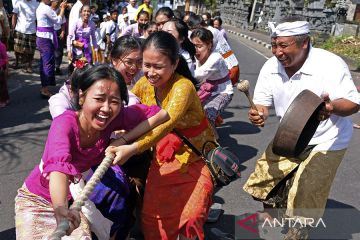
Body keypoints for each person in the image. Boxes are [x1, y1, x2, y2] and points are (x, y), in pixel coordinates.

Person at [15, 64, 169, 239]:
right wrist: (60, 210)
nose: (106, 108)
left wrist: (125, 141)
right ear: (82, 97)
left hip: (73, 199)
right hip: (39, 200)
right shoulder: (64, 124)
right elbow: (58, 170)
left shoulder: (114, 118)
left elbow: (161, 115)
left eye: (114, 101)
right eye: (99, 98)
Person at [243, 17, 360, 239]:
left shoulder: (330, 64)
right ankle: (272, 231)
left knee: (306, 193)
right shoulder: (271, 67)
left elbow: (353, 103)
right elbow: (262, 104)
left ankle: (297, 234)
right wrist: (258, 114)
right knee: (266, 182)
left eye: (284, 45)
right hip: (289, 134)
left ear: (304, 42)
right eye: (274, 45)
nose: (277, 52)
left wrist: (331, 107)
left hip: (328, 139)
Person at [107, 31, 215, 240]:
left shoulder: (183, 86)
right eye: (146, 65)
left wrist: (129, 146)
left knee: (191, 217)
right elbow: (126, 106)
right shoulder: (144, 85)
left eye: (158, 66)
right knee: (151, 218)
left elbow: (166, 123)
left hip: (195, 158)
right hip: (161, 158)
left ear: (174, 64)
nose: (150, 72)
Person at [190, 28, 233, 127]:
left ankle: (211, 141)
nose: (196, 49)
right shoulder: (196, 56)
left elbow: (199, 74)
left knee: (207, 115)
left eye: (199, 46)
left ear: (209, 45)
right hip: (206, 91)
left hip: (223, 92)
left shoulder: (216, 57)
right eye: (193, 46)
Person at [36, 0, 67, 98]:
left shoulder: (41, 7)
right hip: (45, 38)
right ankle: (44, 90)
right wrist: (62, 9)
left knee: (44, 63)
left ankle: (44, 87)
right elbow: (58, 20)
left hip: (42, 37)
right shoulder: (45, 8)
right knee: (47, 63)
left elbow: (54, 17)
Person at [67, 5, 98, 72]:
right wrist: (69, 50)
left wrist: (96, 49)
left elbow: (94, 37)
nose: (86, 13)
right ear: (80, 12)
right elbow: (70, 37)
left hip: (87, 49)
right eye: (84, 11)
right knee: (76, 70)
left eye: (88, 11)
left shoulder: (92, 24)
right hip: (77, 49)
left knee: (87, 70)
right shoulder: (76, 22)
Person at [11, 0, 39, 71]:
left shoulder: (36, 3)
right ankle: (17, 62)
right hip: (20, 28)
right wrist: (13, 28)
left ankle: (29, 65)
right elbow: (14, 15)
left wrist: (38, 29)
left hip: (32, 30)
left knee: (31, 49)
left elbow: (38, 19)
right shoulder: (19, 2)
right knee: (17, 48)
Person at [50, 0, 66, 76]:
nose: (57, 1)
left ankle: (57, 67)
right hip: (49, 32)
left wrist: (63, 32)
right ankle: (50, 67)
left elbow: (63, 23)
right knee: (50, 50)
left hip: (58, 32)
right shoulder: (48, 9)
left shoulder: (60, 10)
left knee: (59, 51)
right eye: (56, 0)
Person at [0, 39, 8, 107]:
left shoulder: (1, 45)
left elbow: (5, 58)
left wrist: (5, 68)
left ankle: (3, 100)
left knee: (2, 85)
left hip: (1, 68)